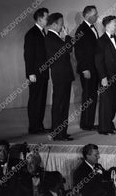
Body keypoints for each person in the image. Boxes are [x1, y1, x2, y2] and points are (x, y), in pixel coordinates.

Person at [45, 13, 75, 141]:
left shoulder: (55, 37)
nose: (63, 25)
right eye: (61, 23)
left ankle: (61, 131)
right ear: (54, 24)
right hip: (60, 76)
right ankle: (59, 134)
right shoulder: (51, 37)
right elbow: (68, 49)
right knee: (60, 105)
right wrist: (67, 36)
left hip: (63, 75)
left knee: (62, 105)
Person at [95, 15, 116, 135]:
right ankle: (103, 128)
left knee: (113, 101)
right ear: (107, 25)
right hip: (106, 77)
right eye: (114, 23)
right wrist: (103, 77)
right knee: (105, 102)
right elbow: (98, 61)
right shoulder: (100, 41)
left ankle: (109, 124)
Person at [24, 7, 50, 134]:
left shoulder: (42, 32)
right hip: (35, 74)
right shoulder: (31, 34)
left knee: (41, 100)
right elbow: (28, 55)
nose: (48, 20)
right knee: (35, 100)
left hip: (43, 73)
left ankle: (39, 125)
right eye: (46, 18)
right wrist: (30, 73)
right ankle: (33, 127)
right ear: (40, 19)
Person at [75, 5, 101, 131]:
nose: (97, 16)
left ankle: (89, 122)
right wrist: (84, 68)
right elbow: (79, 51)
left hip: (94, 68)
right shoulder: (81, 29)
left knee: (92, 96)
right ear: (86, 16)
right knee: (87, 97)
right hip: (87, 70)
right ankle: (85, 124)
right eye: (95, 14)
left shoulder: (93, 28)